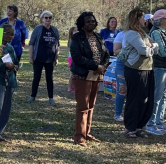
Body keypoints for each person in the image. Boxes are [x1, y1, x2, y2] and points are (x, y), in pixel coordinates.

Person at [69, 12, 110, 146]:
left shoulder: (99, 37)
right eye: (88, 22)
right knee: (83, 106)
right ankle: (79, 136)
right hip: (83, 75)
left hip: (97, 75)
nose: (91, 23)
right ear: (82, 23)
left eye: (93, 21)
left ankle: (86, 132)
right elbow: (77, 57)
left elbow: (106, 54)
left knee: (91, 106)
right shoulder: (77, 38)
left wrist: (103, 66)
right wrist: (95, 66)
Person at [121, 7, 158, 139]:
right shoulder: (131, 33)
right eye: (143, 17)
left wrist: (151, 46)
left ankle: (138, 127)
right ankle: (130, 127)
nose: (146, 20)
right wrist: (150, 47)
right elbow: (143, 51)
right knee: (135, 99)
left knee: (146, 99)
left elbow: (156, 46)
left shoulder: (142, 33)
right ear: (137, 19)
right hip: (135, 71)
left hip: (148, 70)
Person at [26, 11, 60, 105]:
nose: (48, 19)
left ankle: (51, 98)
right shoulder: (38, 29)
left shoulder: (55, 30)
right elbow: (31, 43)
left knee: (49, 78)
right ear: (42, 19)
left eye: (50, 18)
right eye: (46, 18)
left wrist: (56, 58)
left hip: (50, 59)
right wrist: (30, 57)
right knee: (36, 77)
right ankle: (33, 96)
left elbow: (57, 45)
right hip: (38, 57)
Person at [112, 27, 127, 122]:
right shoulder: (121, 34)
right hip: (122, 63)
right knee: (122, 90)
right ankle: (118, 114)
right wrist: (131, 49)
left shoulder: (142, 34)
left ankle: (130, 113)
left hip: (137, 66)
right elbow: (116, 51)